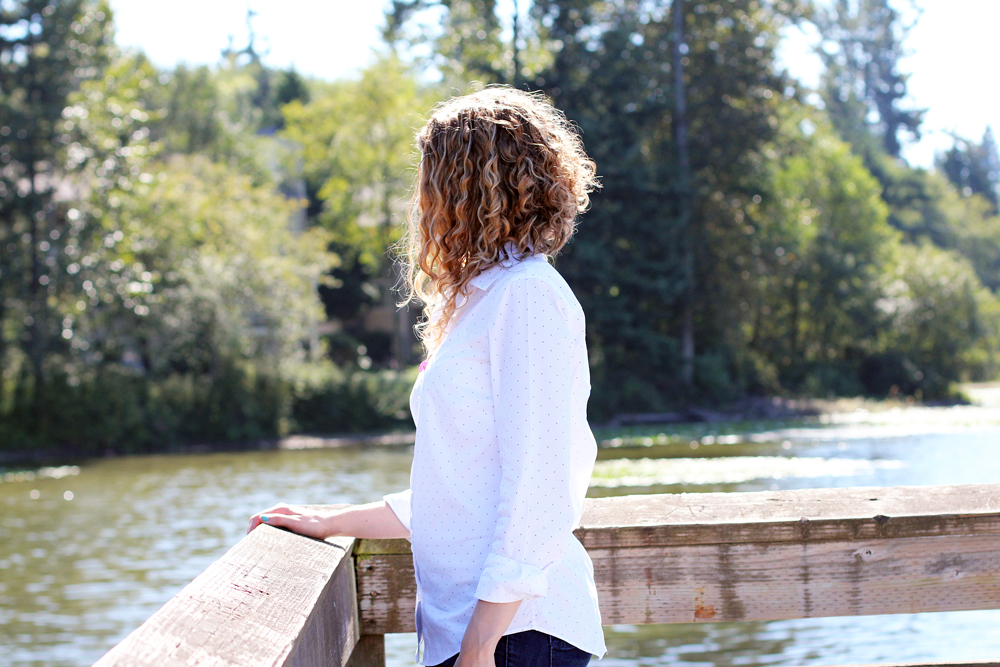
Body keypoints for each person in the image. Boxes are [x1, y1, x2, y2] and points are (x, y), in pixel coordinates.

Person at [248, 86, 605, 667]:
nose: (420, 200)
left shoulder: (528, 297)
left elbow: (542, 491)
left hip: (515, 638)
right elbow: (458, 492)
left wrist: (481, 643)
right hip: (474, 633)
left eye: (429, 177)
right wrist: (328, 520)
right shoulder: (482, 300)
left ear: (467, 189)